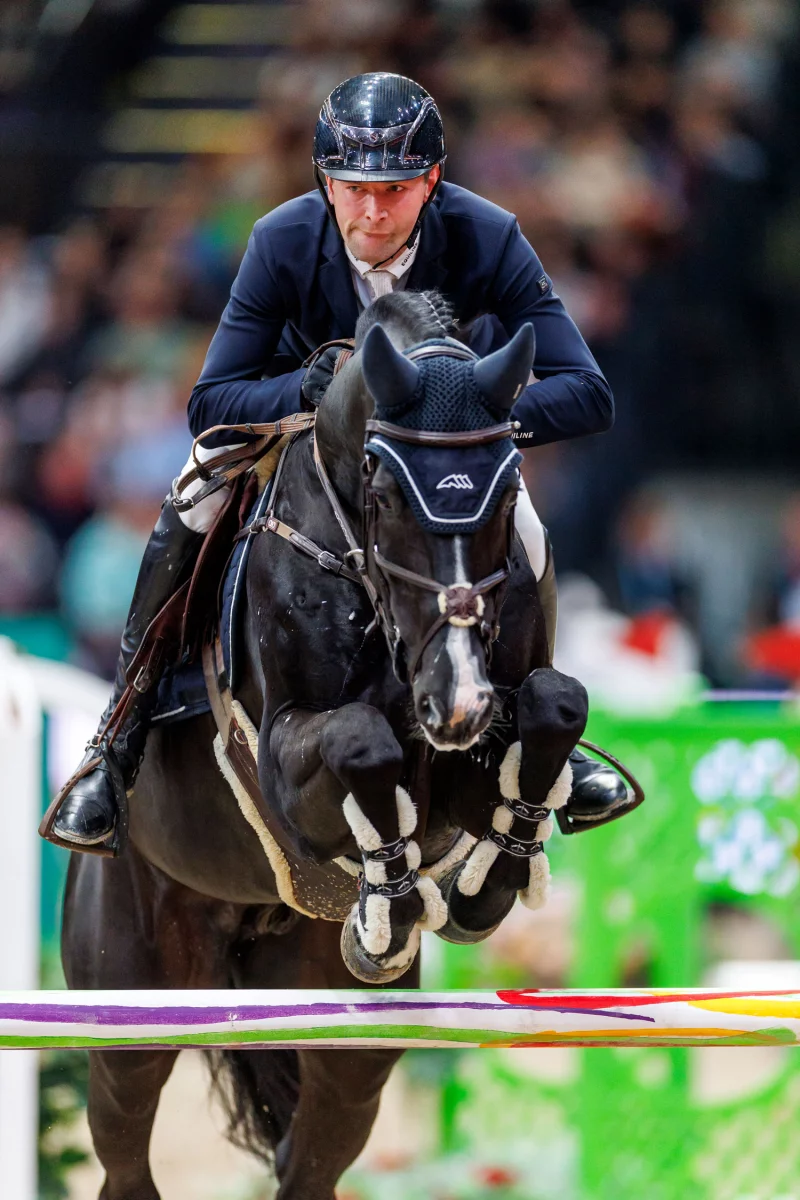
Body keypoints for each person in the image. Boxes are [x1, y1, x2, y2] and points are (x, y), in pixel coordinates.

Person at [48, 72, 635, 854]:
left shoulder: (488, 234)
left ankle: (539, 724)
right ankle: (118, 739)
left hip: (436, 464)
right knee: (192, 494)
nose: (372, 212)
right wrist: (307, 384)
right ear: (326, 182)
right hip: (301, 440)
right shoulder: (284, 238)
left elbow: (588, 392)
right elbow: (212, 400)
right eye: (353, 189)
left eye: (395, 190)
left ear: (431, 180)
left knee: (522, 521)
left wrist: (466, 422)